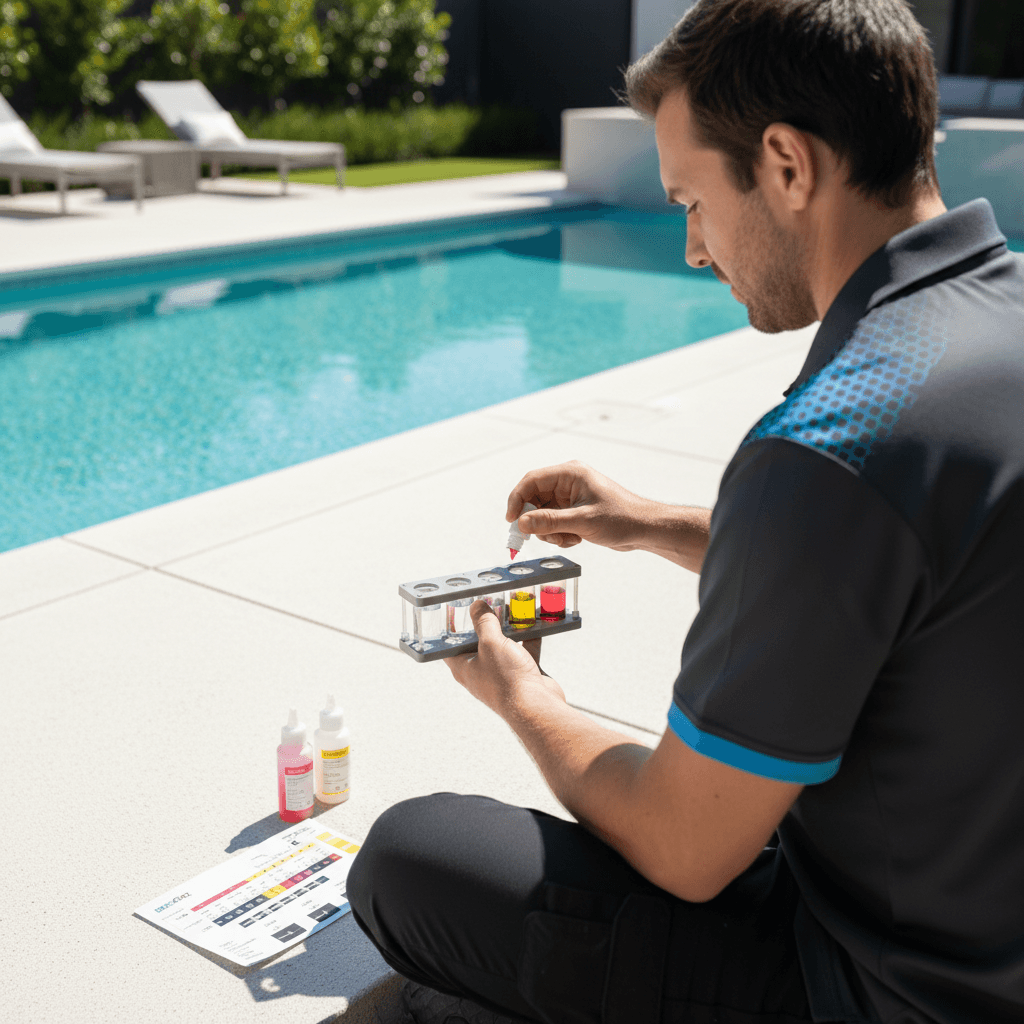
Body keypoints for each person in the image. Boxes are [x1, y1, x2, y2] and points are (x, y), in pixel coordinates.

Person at [348, 1, 1024, 1021]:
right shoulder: (997, 322)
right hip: (984, 907)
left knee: (409, 859)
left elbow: (684, 846)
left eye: (690, 203)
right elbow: (910, 570)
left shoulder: (830, 445)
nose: (693, 251)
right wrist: (651, 521)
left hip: (884, 986)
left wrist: (521, 695)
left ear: (787, 165)